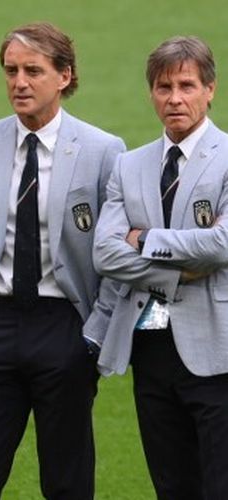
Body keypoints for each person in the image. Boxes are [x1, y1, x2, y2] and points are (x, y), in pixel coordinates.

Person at [0, 22, 125, 499]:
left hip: (63, 328)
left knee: (66, 481)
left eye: (32, 71)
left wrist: (94, 336)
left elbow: (114, 255)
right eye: (10, 71)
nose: (19, 83)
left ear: (64, 76)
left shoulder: (103, 151)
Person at [94, 36, 228, 499]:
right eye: (163, 86)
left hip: (218, 349)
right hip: (150, 348)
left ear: (210, 90)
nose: (175, 98)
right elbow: (105, 253)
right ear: (151, 92)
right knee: (172, 485)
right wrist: (176, 271)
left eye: (187, 85)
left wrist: (146, 238)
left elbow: (222, 244)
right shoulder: (128, 166)